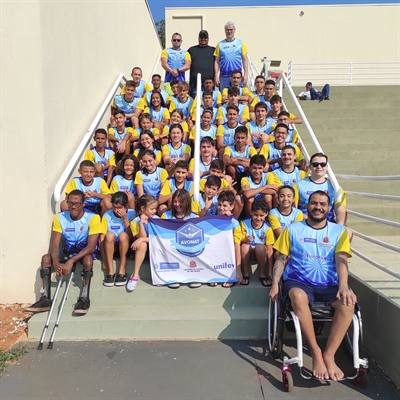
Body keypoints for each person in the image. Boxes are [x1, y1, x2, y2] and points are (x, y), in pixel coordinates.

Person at [270, 190, 355, 381]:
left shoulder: (339, 232)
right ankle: (316, 352)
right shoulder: (292, 229)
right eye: (314, 203)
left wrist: (344, 286)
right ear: (307, 206)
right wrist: (275, 283)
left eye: (322, 204)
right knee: (298, 297)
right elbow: (281, 258)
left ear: (329, 208)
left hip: (329, 283)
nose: (318, 207)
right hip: (299, 281)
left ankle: (329, 355)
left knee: (348, 304)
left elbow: (342, 261)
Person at [25, 190, 103, 315]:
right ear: (66, 202)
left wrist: (71, 261)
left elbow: (91, 246)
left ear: (83, 204)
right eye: (70, 203)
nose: (73, 206)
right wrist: (56, 262)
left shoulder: (93, 218)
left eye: (77, 203)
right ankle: (45, 298)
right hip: (68, 248)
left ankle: (84, 297)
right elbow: (54, 244)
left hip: (83, 249)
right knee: (46, 258)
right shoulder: (60, 217)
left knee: (88, 260)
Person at [294, 153, 347, 224]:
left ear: (327, 167)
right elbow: (294, 210)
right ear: (310, 167)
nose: (319, 166)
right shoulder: (298, 185)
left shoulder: (335, 187)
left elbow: (341, 211)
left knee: (349, 232)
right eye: (315, 164)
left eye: (323, 164)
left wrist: (339, 228)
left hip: (328, 224)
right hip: (305, 223)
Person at [100, 192, 136, 287]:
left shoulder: (132, 213)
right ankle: (110, 272)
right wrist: (104, 260)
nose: (116, 210)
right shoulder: (107, 215)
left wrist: (125, 219)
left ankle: (122, 271)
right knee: (109, 235)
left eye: (119, 208)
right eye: (114, 207)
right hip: (111, 247)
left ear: (125, 206)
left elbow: (131, 236)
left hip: (126, 247)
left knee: (123, 235)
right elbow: (102, 237)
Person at [127, 194, 159, 291]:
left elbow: (159, 239)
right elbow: (141, 238)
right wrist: (141, 223)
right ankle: (135, 275)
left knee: (143, 242)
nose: (154, 211)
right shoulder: (134, 222)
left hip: (155, 248)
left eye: (155, 209)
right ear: (143, 208)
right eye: (152, 209)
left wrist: (141, 239)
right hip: (140, 250)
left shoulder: (157, 219)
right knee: (142, 244)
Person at [239, 199, 274, 287]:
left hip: (261, 254)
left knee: (260, 247)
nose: (258, 218)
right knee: (244, 246)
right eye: (256, 215)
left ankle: (263, 274)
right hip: (248, 253)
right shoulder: (244, 223)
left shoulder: (267, 228)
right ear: (251, 212)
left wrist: (270, 270)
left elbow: (269, 249)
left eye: (261, 215)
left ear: (266, 214)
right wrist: (245, 239)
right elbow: (240, 240)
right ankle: (245, 274)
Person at [216, 190, 243, 288]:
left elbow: (237, 246)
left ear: (232, 207)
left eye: (224, 206)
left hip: (228, 255)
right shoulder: (212, 219)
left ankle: (231, 275)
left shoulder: (234, 223)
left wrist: (238, 271)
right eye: (219, 205)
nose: (221, 208)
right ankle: (212, 275)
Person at [214, 21, 249, 91]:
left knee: (237, 97)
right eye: (227, 30)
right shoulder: (220, 44)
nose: (229, 31)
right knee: (224, 98)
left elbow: (245, 59)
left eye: (231, 30)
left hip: (237, 77)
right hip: (224, 76)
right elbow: (216, 62)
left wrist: (246, 74)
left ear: (234, 30)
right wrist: (216, 76)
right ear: (225, 31)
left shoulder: (240, 43)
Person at [187, 30, 215, 98]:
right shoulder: (191, 50)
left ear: (208, 39)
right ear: (198, 38)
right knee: (195, 104)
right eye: (201, 37)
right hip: (195, 84)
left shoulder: (213, 50)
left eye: (205, 37)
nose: (203, 39)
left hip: (209, 84)